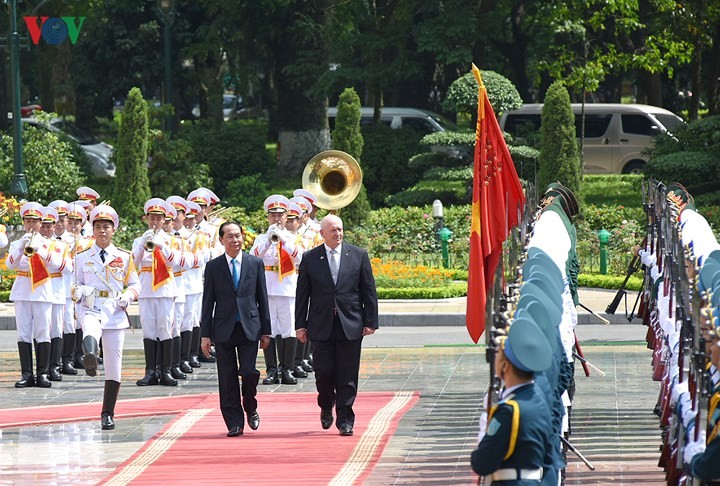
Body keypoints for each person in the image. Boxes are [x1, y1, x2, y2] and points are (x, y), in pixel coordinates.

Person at [295, 214, 378, 436]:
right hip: (320, 324)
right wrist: (300, 325)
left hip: (350, 323)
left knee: (347, 373)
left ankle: (345, 418)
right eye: (333, 230)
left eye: (340, 229)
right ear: (322, 234)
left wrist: (371, 321)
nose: (338, 234)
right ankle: (325, 404)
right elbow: (302, 295)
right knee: (323, 372)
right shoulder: (310, 258)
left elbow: (368, 290)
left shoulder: (358, 255)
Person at [200, 221, 271, 437]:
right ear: (221, 240)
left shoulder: (254, 263)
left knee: (249, 372)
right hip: (223, 328)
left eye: (238, 235)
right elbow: (207, 302)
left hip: (250, 326)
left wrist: (266, 331)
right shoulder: (213, 266)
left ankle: (250, 406)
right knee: (227, 377)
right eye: (230, 236)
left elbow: (263, 298)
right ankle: (234, 422)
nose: (235, 240)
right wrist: (205, 335)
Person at [73, 205, 140, 429]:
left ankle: (107, 412)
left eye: (106, 227)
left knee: (114, 364)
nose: (102, 231)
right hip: (91, 305)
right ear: (92, 230)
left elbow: (134, 284)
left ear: (114, 230)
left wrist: (128, 297)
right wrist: (78, 291)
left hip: (113, 308)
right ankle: (90, 356)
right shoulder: (81, 257)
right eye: (98, 227)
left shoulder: (123, 256)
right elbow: (76, 284)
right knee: (90, 328)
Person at [471, 317, 554, 483]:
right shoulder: (539, 400)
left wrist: (485, 431)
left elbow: (481, 463)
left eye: (499, 355)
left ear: (505, 365)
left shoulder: (509, 411)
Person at [6, 202, 66, 388]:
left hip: (42, 291)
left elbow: (59, 265)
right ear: (24, 222)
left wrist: (40, 249)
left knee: (42, 332)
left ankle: (42, 373)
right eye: (28, 221)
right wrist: (20, 248)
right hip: (23, 291)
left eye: (35, 221)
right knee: (23, 333)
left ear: (41, 224)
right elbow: (9, 265)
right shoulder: (17, 242)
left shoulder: (49, 243)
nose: (31, 225)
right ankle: (26, 374)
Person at [251, 195, 304, 385]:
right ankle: (272, 370)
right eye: (273, 215)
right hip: (267, 288)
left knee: (288, 329)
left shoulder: (294, 238)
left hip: (288, 288)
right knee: (270, 330)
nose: (276, 219)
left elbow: (300, 258)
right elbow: (254, 257)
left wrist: (283, 240)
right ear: (268, 217)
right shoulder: (260, 238)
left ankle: (287, 368)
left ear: (286, 217)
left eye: (280, 216)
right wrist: (268, 240)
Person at [132, 198, 182, 386]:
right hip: (146, 289)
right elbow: (133, 264)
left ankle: (166, 370)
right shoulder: (139, 239)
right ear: (146, 219)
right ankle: (151, 370)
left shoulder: (171, 239)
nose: (155, 222)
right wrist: (142, 245)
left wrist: (160, 244)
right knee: (149, 330)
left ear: (164, 220)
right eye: (152, 218)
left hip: (165, 289)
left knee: (165, 328)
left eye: (158, 219)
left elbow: (176, 261)